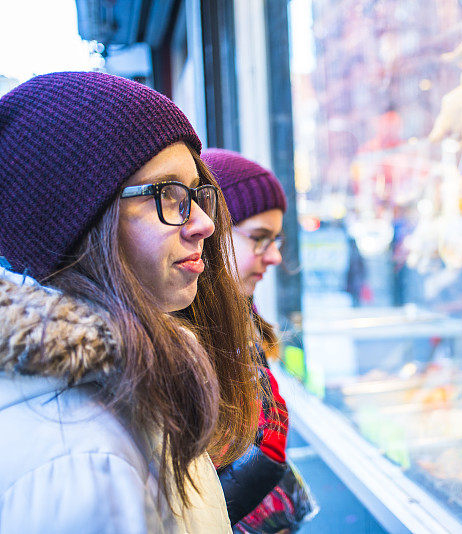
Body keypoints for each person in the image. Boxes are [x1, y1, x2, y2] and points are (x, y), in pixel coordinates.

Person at [0, 71, 264, 532]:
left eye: (198, 194)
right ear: (74, 224)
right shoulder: (83, 454)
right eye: (167, 194)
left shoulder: (134, 386)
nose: (203, 222)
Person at [200, 149, 291, 526]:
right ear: (211, 231)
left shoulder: (242, 321)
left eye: (275, 240)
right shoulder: (189, 345)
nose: (274, 257)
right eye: (259, 238)